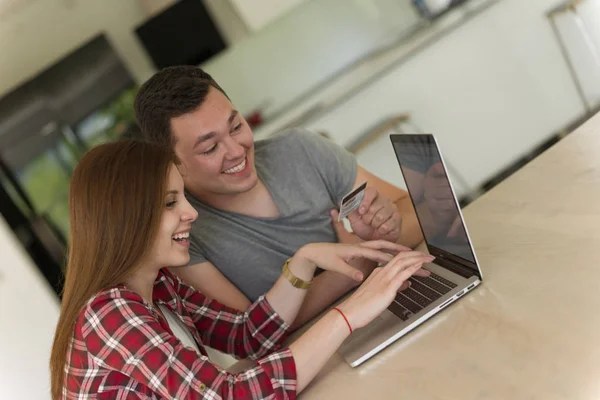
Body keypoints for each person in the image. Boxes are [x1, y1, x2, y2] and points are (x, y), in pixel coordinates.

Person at [49, 139, 433, 399]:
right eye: (170, 203)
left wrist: (304, 259)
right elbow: (230, 395)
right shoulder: (110, 313)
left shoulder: (160, 287)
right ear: (127, 218)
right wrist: (349, 314)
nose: (191, 213)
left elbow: (247, 336)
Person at [133, 66, 426, 326]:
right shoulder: (183, 231)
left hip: (394, 311)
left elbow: (420, 214)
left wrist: (385, 230)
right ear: (174, 163)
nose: (236, 151)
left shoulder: (301, 149)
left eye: (236, 127)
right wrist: (363, 258)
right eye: (210, 148)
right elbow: (253, 331)